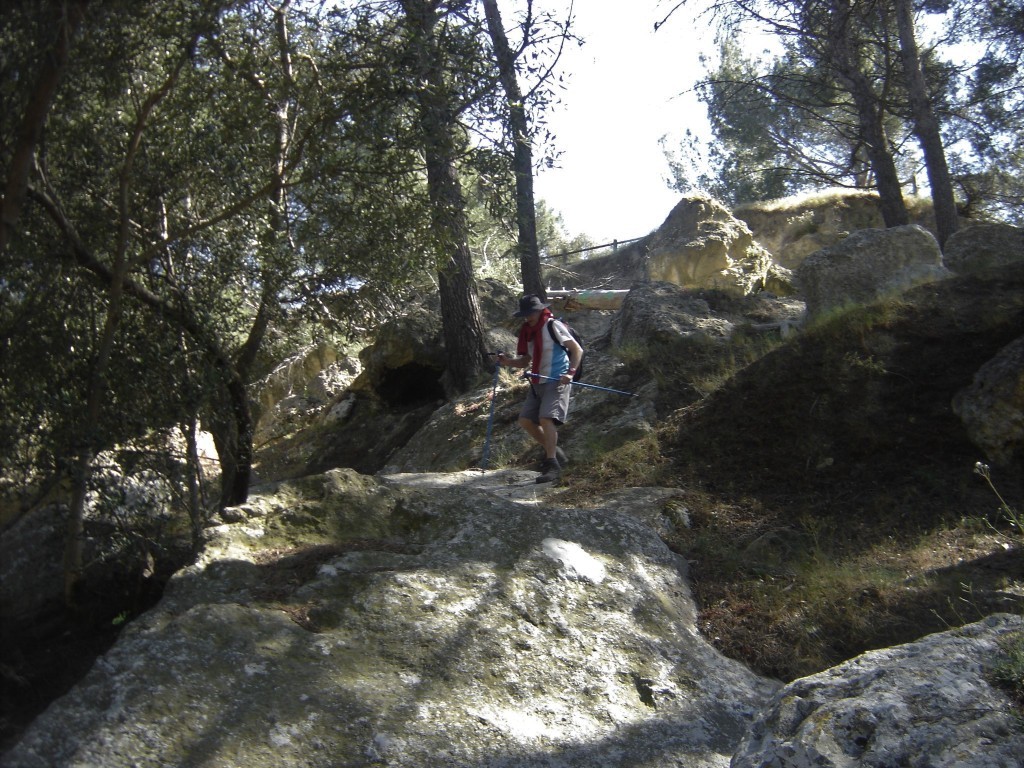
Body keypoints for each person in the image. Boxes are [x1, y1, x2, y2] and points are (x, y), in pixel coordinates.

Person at [497, 294, 583, 483]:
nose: (528, 317)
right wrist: (507, 361)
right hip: (538, 381)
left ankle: (552, 464)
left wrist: (571, 373)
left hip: (557, 379)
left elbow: (577, 350)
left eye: (531, 313)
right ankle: (557, 454)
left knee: (546, 418)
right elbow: (525, 361)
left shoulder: (553, 325)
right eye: (525, 314)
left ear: (539, 310)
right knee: (526, 420)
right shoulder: (528, 331)